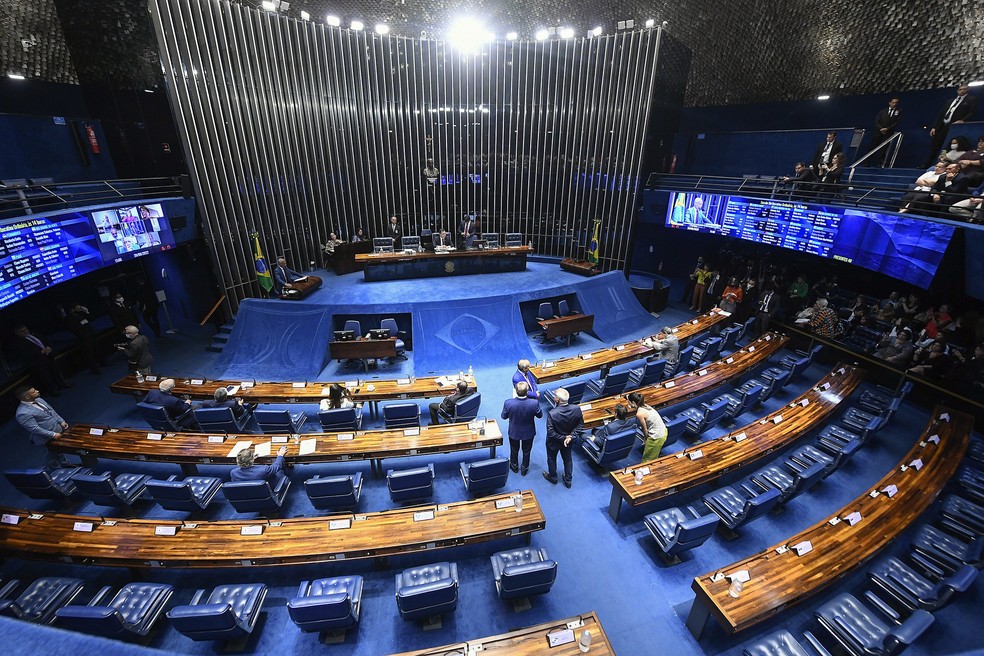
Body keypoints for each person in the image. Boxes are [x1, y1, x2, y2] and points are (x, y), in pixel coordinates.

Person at [14, 386, 72, 470]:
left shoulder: (39, 400)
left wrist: (61, 421)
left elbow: (51, 411)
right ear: (27, 397)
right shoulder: (22, 413)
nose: (37, 391)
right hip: (45, 438)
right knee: (51, 456)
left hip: (57, 431)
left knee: (60, 451)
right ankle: (57, 472)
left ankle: (65, 464)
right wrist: (52, 434)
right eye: (33, 392)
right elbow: (34, 429)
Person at [924, 83, 978, 167]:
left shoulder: (971, 99)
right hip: (942, 126)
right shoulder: (950, 101)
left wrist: (963, 120)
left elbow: (972, 113)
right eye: (960, 89)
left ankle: (942, 164)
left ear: (968, 90)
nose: (962, 91)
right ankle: (927, 164)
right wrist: (935, 127)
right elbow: (941, 114)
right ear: (957, 90)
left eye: (964, 89)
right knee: (935, 145)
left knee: (949, 145)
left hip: (954, 127)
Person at [543, 387, 584, 488]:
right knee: (567, 458)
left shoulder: (552, 413)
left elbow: (551, 432)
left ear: (558, 400)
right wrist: (570, 437)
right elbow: (580, 426)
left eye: (555, 396)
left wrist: (564, 438)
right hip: (568, 441)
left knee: (551, 458)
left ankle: (553, 477)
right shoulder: (576, 408)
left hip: (554, 442)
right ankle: (568, 480)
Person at [14, 325, 70, 396]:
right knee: (46, 376)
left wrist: (48, 347)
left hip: (48, 356)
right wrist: (40, 352)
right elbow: (25, 354)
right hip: (37, 361)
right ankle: (53, 391)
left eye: (25, 329)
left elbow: (46, 341)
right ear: (18, 333)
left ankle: (62, 384)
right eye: (22, 331)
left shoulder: (36, 334)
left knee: (55, 371)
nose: (25, 331)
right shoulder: (19, 343)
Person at [500, 381, 542, 475]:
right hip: (529, 432)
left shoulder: (508, 403)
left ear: (516, 391)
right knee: (527, 451)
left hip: (514, 431)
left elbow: (503, 416)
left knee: (514, 449)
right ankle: (524, 469)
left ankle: (514, 466)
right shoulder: (534, 403)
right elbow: (540, 415)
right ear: (527, 391)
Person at [627, 391, 667, 461]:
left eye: (629, 402)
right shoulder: (645, 406)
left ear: (633, 402)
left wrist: (646, 439)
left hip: (656, 438)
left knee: (647, 460)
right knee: (654, 454)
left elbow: (645, 429)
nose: (628, 404)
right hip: (664, 431)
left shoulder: (639, 413)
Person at [66, 301, 103, 374]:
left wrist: (87, 312)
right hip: (83, 338)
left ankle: (103, 363)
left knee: (97, 349)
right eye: (77, 307)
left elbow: (91, 319)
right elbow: (72, 329)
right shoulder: (69, 318)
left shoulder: (82, 313)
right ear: (72, 309)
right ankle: (94, 369)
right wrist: (80, 324)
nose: (79, 307)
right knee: (90, 354)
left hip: (91, 334)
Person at [869, 96, 901, 165]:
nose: (894, 104)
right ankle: (867, 162)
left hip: (888, 133)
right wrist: (881, 128)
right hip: (878, 132)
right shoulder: (883, 111)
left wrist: (887, 128)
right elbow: (877, 120)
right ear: (890, 103)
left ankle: (880, 163)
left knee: (884, 149)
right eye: (893, 102)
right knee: (873, 146)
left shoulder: (899, 112)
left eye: (896, 103)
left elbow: (896, 122)